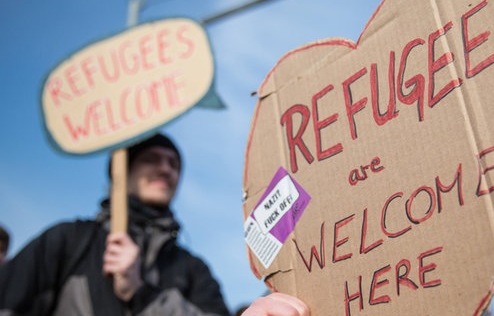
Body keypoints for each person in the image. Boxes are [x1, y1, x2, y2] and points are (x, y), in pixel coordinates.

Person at [0, 133, 309, 316]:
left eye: (174, 164)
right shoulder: (68, 240)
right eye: (152, 159)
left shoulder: (192, 269)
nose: (166, 169)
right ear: (123, 171)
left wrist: (141, 292)